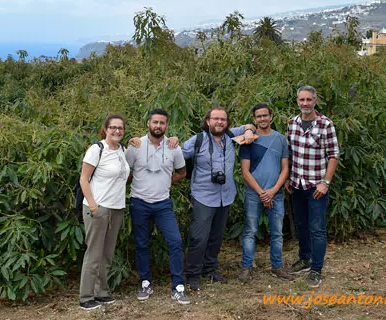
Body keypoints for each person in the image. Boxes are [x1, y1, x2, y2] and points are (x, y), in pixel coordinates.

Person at [182, 107, 256, 291]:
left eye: (223, 119)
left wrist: (248, 130)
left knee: (216, 236)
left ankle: (210, 270)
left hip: (225, 196)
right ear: (208, 121)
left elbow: (250, 125)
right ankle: (192, 274)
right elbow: (177, 156)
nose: (219, 122)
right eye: (215, 119)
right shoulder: (197, 140)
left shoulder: (231, 135)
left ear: (227, 122)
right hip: (203, 196)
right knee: (199, 237)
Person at [125, 109, 190, 305]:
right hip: (139, 202)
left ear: (167, 125)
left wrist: (166, 182)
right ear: (148, 123)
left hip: (163, 203)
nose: (158, 126)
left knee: (175, 242)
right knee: (142, 243)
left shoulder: (173, 147)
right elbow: (126, 173)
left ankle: (178, 286)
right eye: (155, 122)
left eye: (162, 123)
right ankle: (145, 282)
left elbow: (182, 172)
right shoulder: (135, 146)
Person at [286, 86, 339, 288]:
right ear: (297, 101)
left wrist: (326, 183)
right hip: (296, 186)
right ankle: (305, 259)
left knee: (317, 228)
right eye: (302, 100)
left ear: (315, 101)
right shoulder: (292, 124)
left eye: (309, 99)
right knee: (301, 224)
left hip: (316, 187)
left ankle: (316, 269)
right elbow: (289, 154)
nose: (305, 103)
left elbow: (333, 155)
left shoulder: (326, 125)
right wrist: (287, 180)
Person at [79, 114, 130, 310]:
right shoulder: (96, 149)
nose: (117, 131)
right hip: (98, 207)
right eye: (113, 127)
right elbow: (84, 179)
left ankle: (102, 292)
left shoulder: (122, 150)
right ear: (106, 129)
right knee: (94, 253)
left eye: (120, 128)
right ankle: (86, 297)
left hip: (117, 208)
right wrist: (93, 205)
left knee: (107, 254)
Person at [238, 104, 293, 283]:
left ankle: (277, 267)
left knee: (277, 232)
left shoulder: (281, 140)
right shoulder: (248, 140)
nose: (262, 119)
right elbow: (245, 171)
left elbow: (285, 169)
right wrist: (262, 193)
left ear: (271, 117)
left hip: (275, 193)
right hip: (254, 194)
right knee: (250, 231)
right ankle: (246, 267)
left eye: (265, 116)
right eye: (258, 116)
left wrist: (273, 190)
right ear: (254, 119)